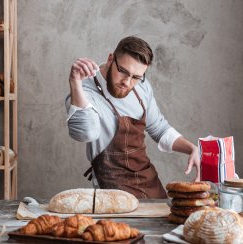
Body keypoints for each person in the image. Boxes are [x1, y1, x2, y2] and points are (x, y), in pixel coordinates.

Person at [66, 36, 200, 199]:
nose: (127, 82)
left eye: (136, 77)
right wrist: (74, 82)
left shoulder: (142, 87)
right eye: (123, 71)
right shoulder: (84, 91)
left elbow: (159, 129)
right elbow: (85, 133)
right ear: (110, 59)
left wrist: (192, 149)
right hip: (113, 191)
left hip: (148, 182)